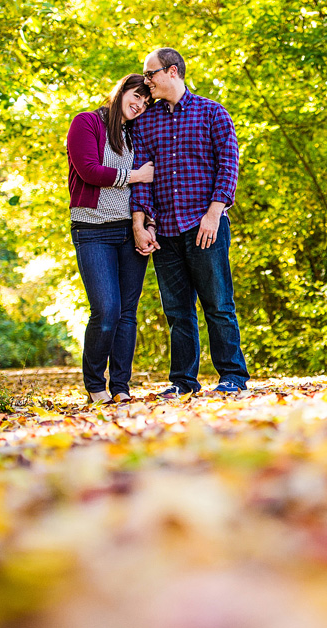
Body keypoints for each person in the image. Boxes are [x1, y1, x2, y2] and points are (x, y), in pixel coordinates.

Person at [131, 47, 250, 397]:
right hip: (165, 231)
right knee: (178, 312)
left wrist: (214, 214)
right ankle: (183, 381)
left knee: (218, 304)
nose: (146, 80)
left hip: (206, 225)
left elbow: (228, 165)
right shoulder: (145, 122)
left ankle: (232, 376)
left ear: (172, 72)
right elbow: (144, 180)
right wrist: (145, 224)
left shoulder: (212, 112)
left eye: (150, 73)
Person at [66, 74, 156, 403]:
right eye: (136, 96)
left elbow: (149, 186)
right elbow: (89, 169)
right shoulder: (87, 123)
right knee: (106, 309)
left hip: (130, 229)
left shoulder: (136, 133)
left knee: (127, 312)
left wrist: (149, 225)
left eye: (146, 102)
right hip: (92, 230)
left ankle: (120, 387)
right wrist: (134, 175)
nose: (140, 104)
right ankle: (94, 384)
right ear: (121, 91)